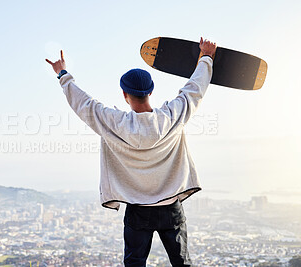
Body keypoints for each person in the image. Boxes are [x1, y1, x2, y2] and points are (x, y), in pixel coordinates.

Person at [46, 37, 217, 267]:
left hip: (137, 211)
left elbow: (83, 103)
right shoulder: (171, 117)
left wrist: (62, 74)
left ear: (124, 95)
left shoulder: (113, 123)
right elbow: (194, 90)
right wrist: (206, 57)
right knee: (182, 263)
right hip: (171, 208)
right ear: (151, 91)